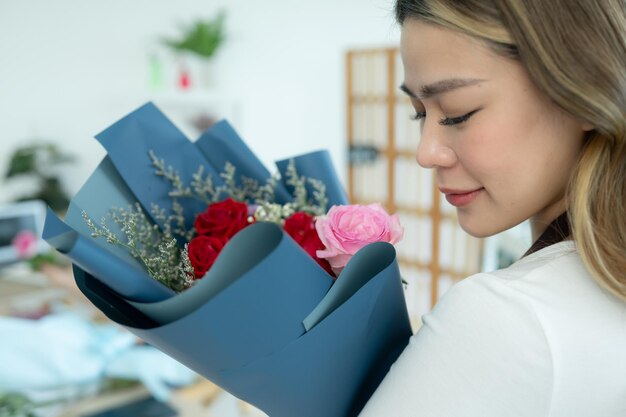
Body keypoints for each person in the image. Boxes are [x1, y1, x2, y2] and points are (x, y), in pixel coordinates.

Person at [359, 1, 626, 416]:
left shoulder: (508, 317)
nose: (426, 153)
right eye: (419, 115)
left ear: (580, 91)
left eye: (458, 113)